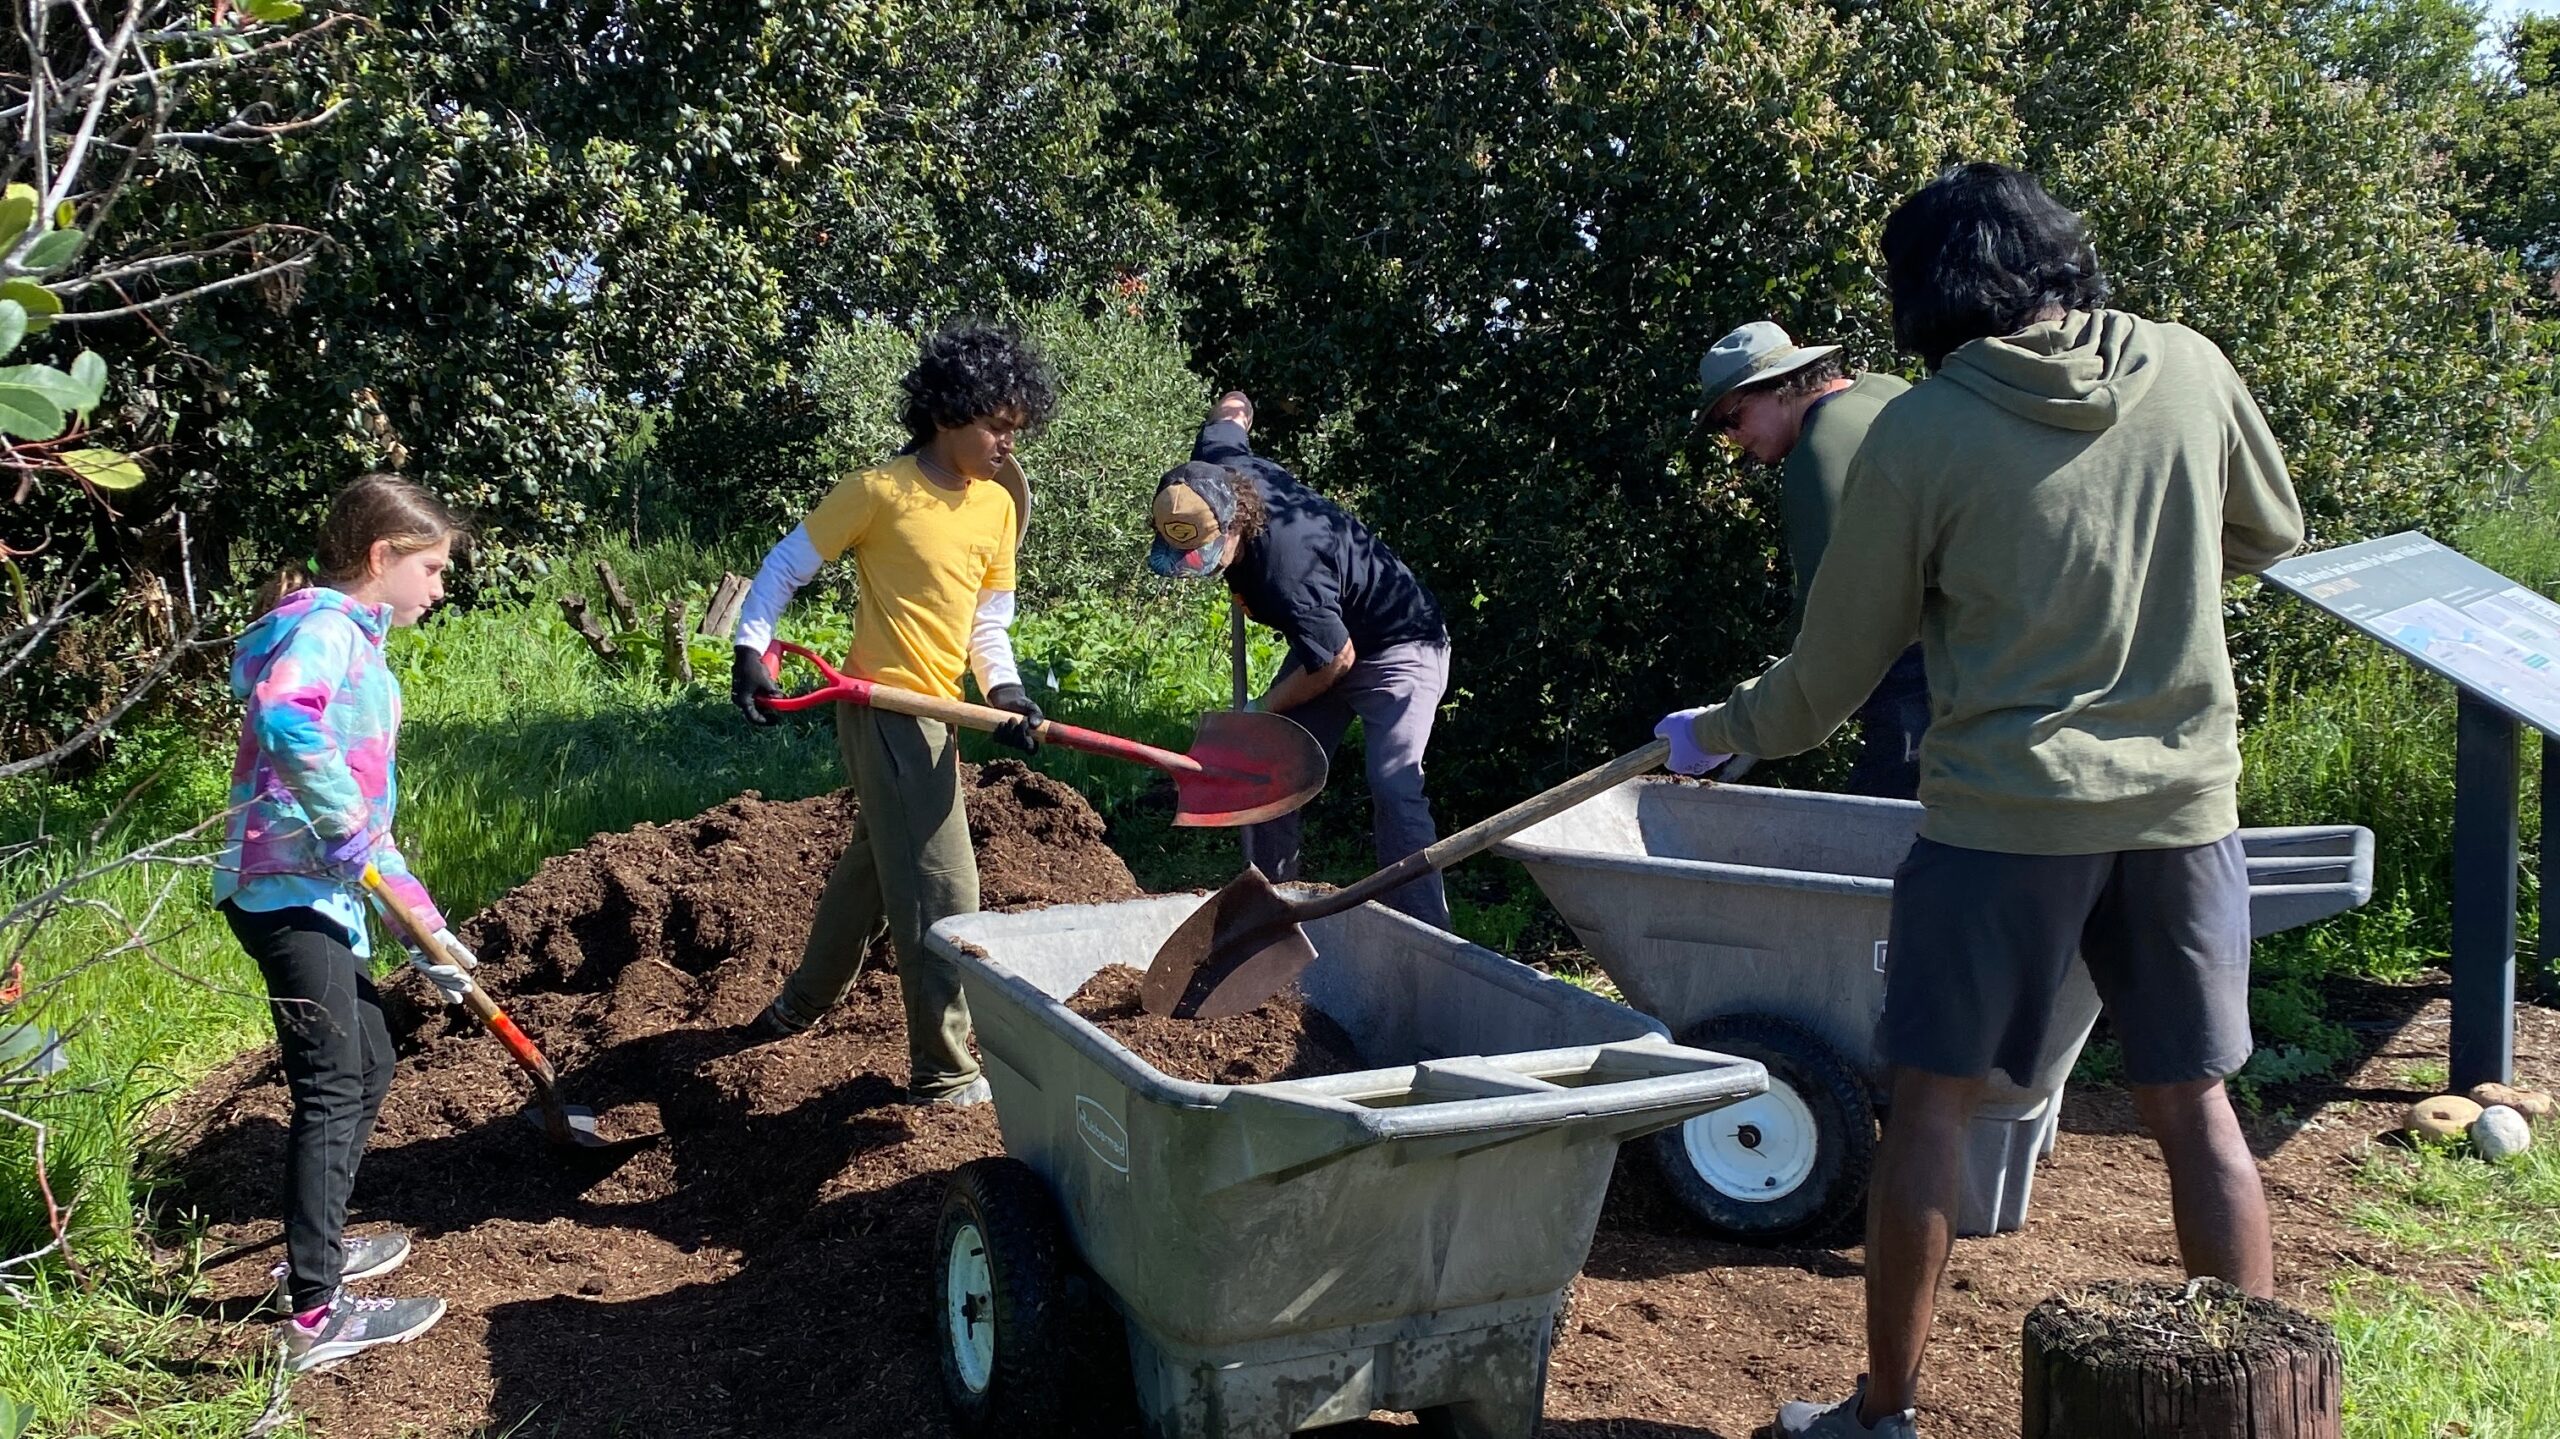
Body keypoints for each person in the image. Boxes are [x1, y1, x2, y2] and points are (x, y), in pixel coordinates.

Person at [1652, 164, 2304, 1439]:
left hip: (2005, 820)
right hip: (2181, 804)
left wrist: (1712, 733)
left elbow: (1825, 679)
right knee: (2193, 1099)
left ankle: (1883, 1411)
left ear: (1924, 295)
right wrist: (2150, 562)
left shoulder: (1925, 432)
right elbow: (2269, 528)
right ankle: (2251, 1412)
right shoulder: (2187, 364)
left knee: (1931, 1107)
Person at [732, 321, 1053, 1106]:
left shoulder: (997, 508)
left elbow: (987, 626)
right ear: (949, 413)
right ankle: (943, 1070)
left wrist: (1003, 692)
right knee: (944, 888)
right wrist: (751, 648)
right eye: (997, 426)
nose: (1008, 444)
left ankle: (799, 1002)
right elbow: (782, 567)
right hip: (884, 709)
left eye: (1016, 428)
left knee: (877, 865)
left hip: (939, 711)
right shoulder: (877, 493)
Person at [215, 473, 471, 1371]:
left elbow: (371, 827)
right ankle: (315, 1315)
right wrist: (351, 831)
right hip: (281, 887)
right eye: (432, 567)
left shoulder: (360, 648)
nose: (440, 588)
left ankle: (311, 1252)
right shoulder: (324, 632)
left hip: (320, 889)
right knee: (332, 1079)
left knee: (372, 1058)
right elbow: (284, 716)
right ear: (382, 557)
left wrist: (428, 932)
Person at [1148, 391, 1454, 928]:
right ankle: (1273, 911)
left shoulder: (1286, 569)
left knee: (1394, 782)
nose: (1191, 569)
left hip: (1399, 643)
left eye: (1201, 555)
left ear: (1233, 524)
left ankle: (1428, 933)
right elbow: (1231, 412)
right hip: (1327, 637)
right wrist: (1237, 404)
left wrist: (1262, 706)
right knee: (1267, 763)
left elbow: (1336, 660)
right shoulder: (1213, 469)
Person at [1696, 321, 1924, 798]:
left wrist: (1730, 725)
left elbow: (1833, 632)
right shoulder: (1885, 391)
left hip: (1914, 675)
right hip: (1988, 657)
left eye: (1732, 419)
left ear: (1781, 387)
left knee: (1882, 833)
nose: (1732, 439)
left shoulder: (1816, 455)